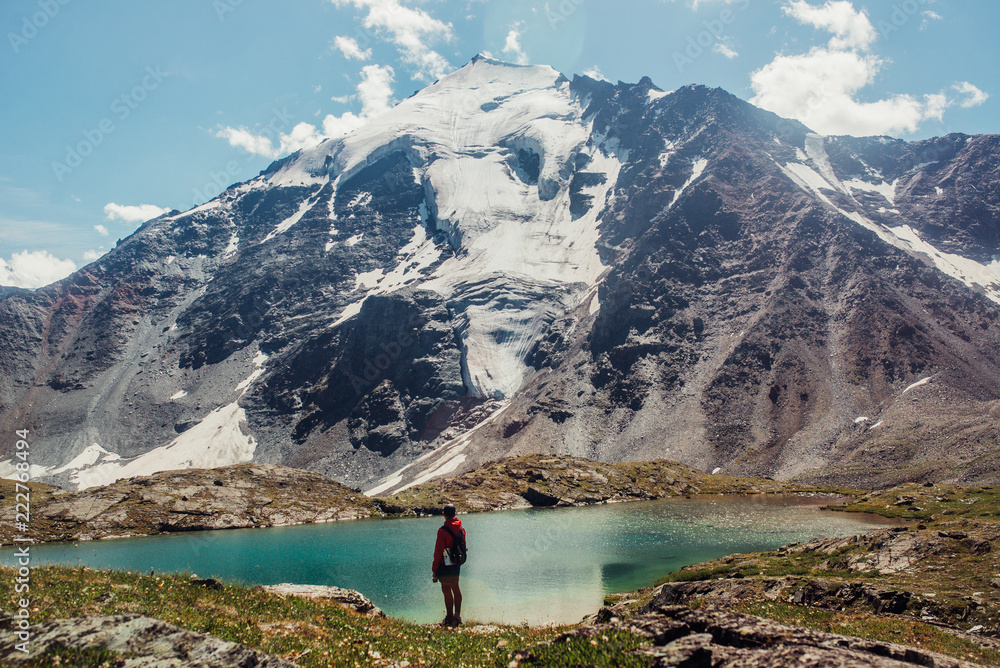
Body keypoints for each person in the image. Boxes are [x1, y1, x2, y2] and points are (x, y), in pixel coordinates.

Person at [432, 503, 465, 627]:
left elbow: (438, 551)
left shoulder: (442, 531)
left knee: (446, 589)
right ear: (455, 514)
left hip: (444, 564)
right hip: (456, 563)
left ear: (443, 514)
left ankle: (449, 617)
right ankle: (457, 615)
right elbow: (463, 546)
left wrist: (434, 568)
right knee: (455, 587)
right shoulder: (461, 529)